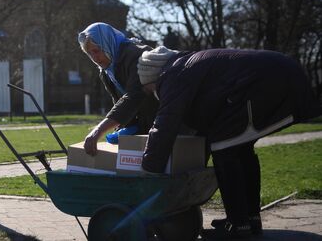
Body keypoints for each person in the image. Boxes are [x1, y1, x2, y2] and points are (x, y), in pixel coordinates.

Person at [136, 46, 322, 239]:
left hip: (267, 83)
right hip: (285, 73)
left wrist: (149, 168)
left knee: (224, 149)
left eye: (149, 88)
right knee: (240, 149)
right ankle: (249, 218)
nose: (153, 94)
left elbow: (166, 123)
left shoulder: (173, 74)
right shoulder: (187, 65)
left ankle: (238, 224)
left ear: (154, 76)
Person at [79, 23, 158, 155]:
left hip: (171, 121)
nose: (94, 58)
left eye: (96, 51)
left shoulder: (136, 55)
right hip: (150, 125)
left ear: (106, 43)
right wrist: (126, 128)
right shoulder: (106, 71)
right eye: (89, 53)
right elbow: (120, 102)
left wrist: (98, 130)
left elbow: (133, 96)